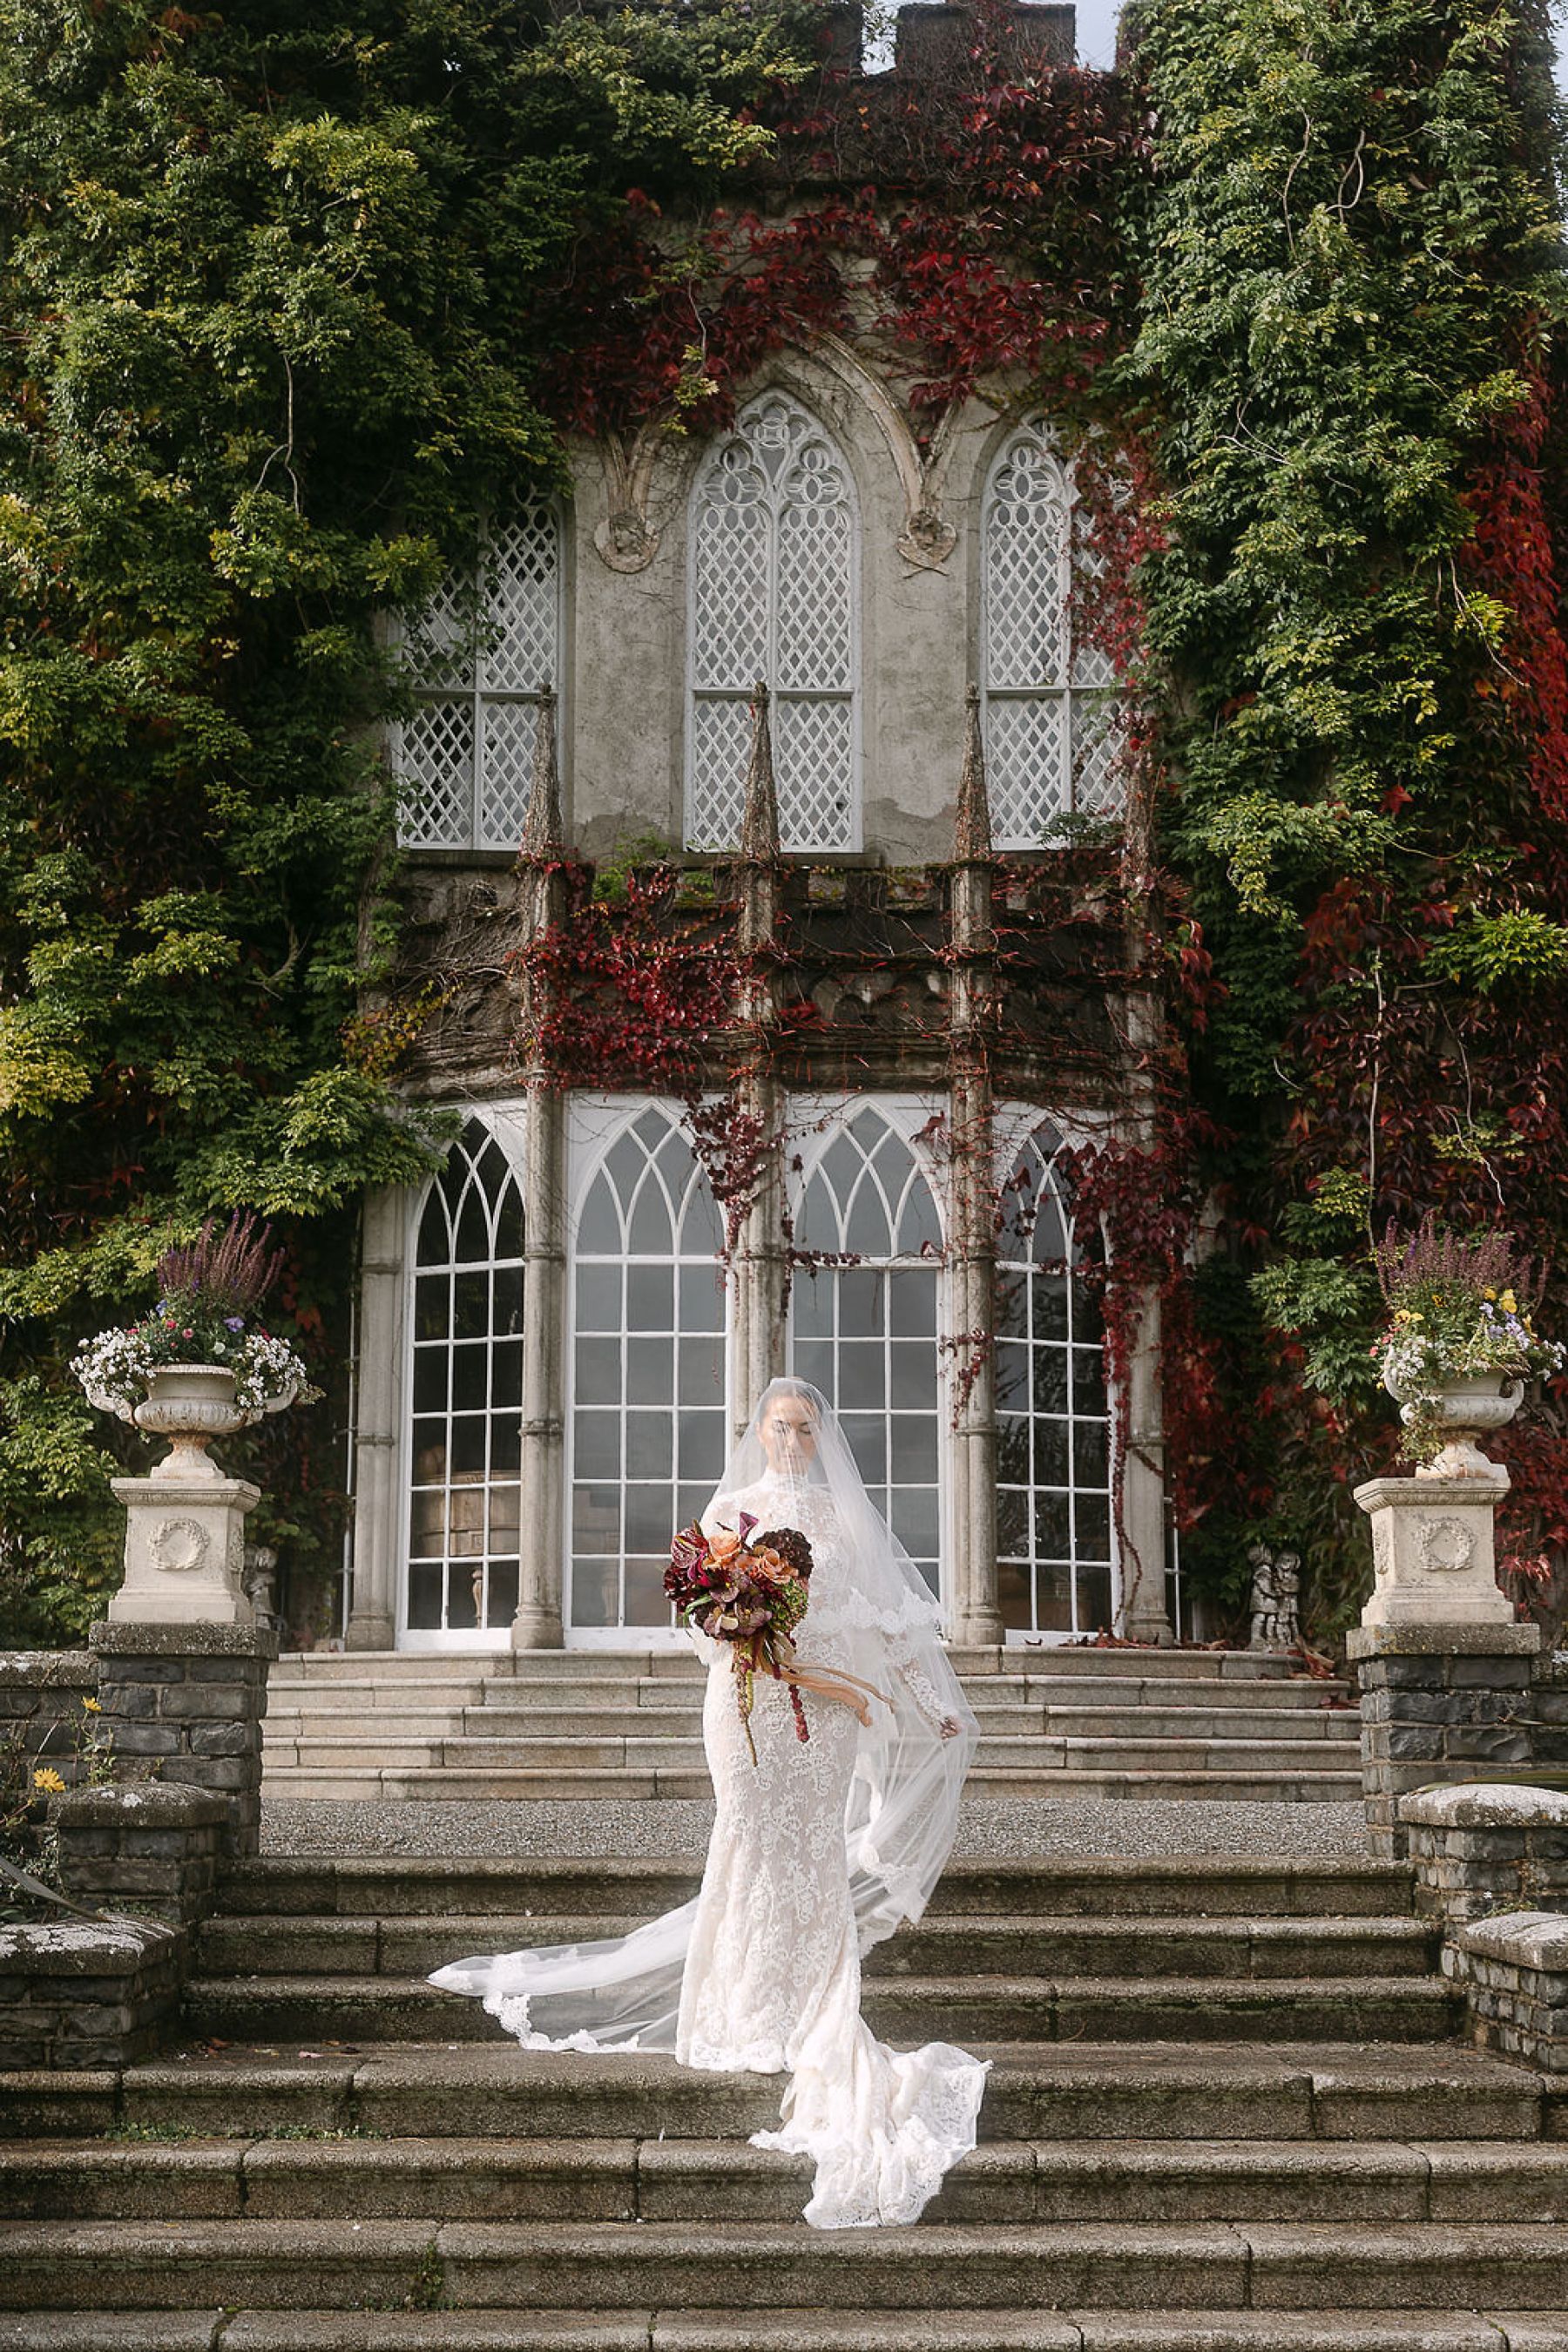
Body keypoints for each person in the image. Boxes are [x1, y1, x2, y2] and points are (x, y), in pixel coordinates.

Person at [429, 1375, 988, 2229]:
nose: (794, 1440)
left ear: (820, 1434)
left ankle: (807, 2009)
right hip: (746, 1706)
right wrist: (737, 1625)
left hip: (828, 1717)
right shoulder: (732, 1511)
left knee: (808, 1856)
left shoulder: (845, 1518)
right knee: (750, 1844)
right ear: (759, 1433)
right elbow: (695, 1621)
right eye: (781, 1427)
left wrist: (934, 1704)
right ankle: (737, 2006)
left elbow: (888, 1625)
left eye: (806, 1427)